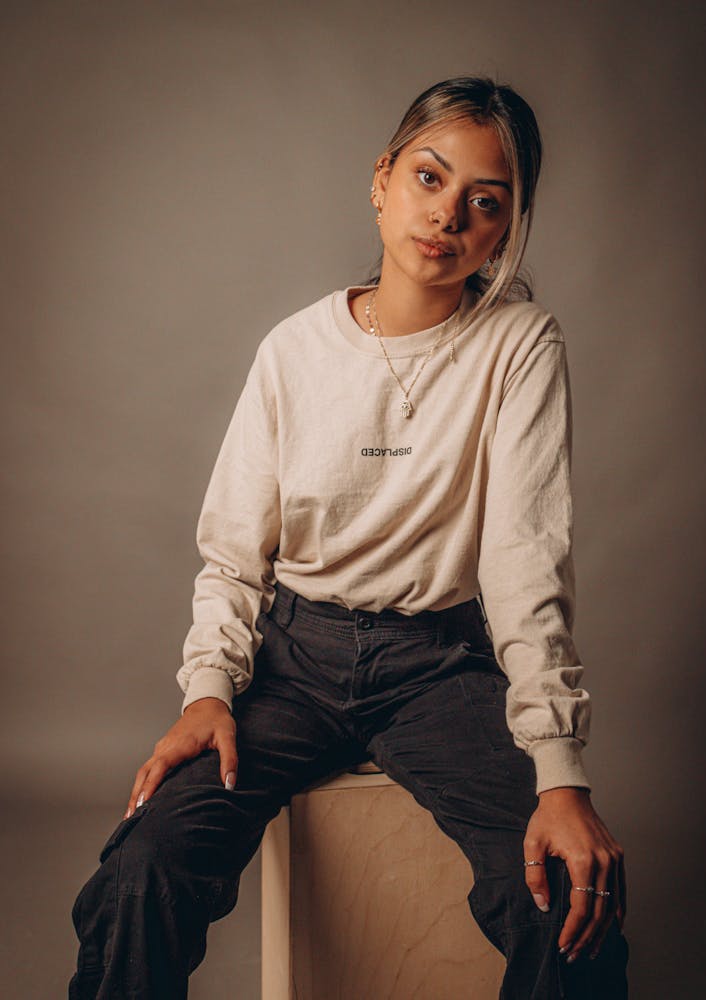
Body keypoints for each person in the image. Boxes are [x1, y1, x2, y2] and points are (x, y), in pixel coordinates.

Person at [69, 75, 629, 999]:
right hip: (292, 663)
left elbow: (526, 558)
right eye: (428, 178)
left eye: (484, 203)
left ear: (504, 230)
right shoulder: (293, 350)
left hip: (439, 667)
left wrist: (561, 771)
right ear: (381, 180)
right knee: (143, 868)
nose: (447, 215)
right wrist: (210, 690)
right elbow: (233, 553)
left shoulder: (520, 345)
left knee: (570, 900)